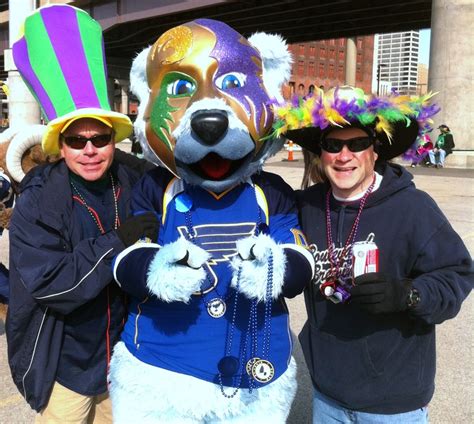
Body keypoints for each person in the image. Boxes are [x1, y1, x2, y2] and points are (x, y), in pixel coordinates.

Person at [274, 86, 473, 423]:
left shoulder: (413, 208)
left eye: (358, 144)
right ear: (321, 153)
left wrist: (408, 294)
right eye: (333, 145)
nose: (344, 155)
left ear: (375, 150)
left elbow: (457, 275)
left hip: (394, 402)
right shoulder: (306, 206)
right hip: (328, 394)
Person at [6, 5, 158, 421]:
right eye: (76, 139)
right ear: (61, 144)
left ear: (114, 139)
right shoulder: (38, 200)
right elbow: (53, 285)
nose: (89, 149)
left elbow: (184, 175)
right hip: (65, 368)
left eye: (100, 137)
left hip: (123, 361)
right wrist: (118, 242)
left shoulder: (132, 177)